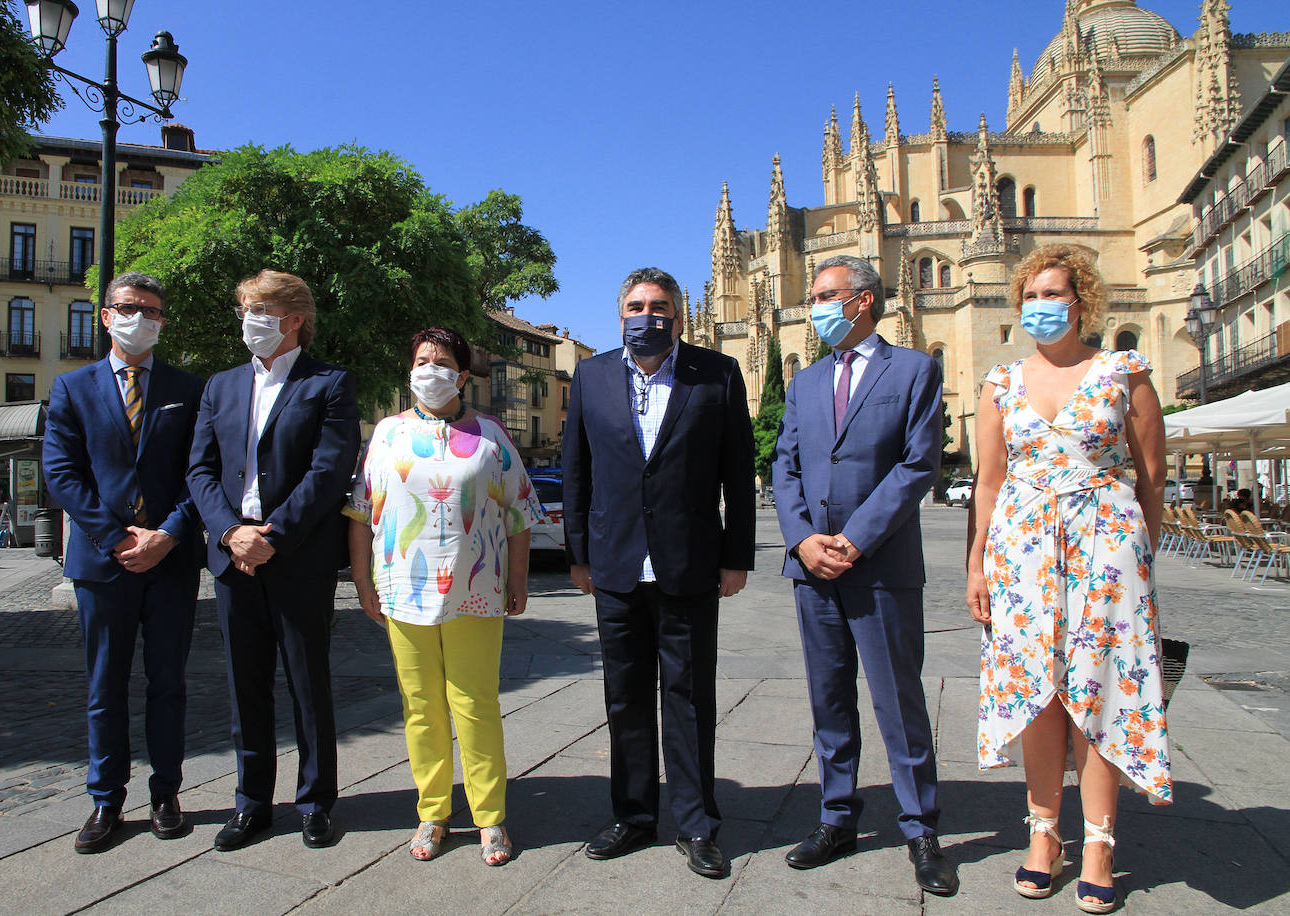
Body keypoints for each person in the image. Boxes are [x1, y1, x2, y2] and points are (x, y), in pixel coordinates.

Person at [967, 245, 1170, 914]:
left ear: (1082, 300)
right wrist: (977, 565)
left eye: (1053, 293)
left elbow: (1152, 475)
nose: (1040, 306)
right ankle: (1043, 835)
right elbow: (989, 484)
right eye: (1029, 296)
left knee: (1100, 691)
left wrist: (1138, 554)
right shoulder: (1001, 381)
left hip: (1105, 552)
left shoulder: (1122, 370)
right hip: (1022, 553)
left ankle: (1100, 843)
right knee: (1038, 696)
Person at [771, 255, 957, 896]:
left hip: (880, 569)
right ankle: (836, 817)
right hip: (813, 572)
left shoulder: (915, 370)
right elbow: (785, 467)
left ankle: (921, 829)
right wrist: (801, 540)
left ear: (865, 301)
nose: (815, 306)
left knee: (900, 703)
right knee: (829, 700)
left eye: (826, 295)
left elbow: (917, 464)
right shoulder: (804, 382)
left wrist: (852, 540)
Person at [561, 267, 755, 879]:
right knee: (625, 699)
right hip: (615, 566)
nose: (649, 315)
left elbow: (736, 473)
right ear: (621, 313)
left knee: (691, 698)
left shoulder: (717, 373)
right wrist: (578, 554)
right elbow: (575, 471)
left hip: (690, 565)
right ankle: (633, 815)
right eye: (638, 305)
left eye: (661, 306)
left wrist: (736, 556)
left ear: (677, 313)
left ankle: (697, 822)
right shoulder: (592, 376)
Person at [346, 327, 543, 866]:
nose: (429, 369)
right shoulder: (385, 434)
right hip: (402, 592)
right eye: (421, 360)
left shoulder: (489, 436)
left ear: (461, 374)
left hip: (476, 590)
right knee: (421, 708)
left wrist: (519, 580)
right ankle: (432, 812)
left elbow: (520, 513)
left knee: (475, 706)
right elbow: (363, 514)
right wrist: (363, 583)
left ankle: (490, 817)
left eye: (441, 361)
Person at [187, 269, 360, 851]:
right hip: (233, 558)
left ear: (293, 319)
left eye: (258, 308)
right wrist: (231, 532)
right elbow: (201, 469)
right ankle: (251, 802)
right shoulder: (221, 386)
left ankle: (315, 801)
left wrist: (274, 536)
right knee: (245, 685)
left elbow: (329, 471)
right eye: (244, 308)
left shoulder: (329, 384)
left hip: (297, 556)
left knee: (308, 684)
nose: (248, 319)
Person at [42, 272, 204, 853]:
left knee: (168, 683)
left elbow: (201, 474)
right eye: (133, 309)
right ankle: (106, 799)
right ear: (106, 316)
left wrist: (166, 535)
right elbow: (62, 472)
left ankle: (167, 794)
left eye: (155, 312)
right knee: (105, 684)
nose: (145, 319)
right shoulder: (72, 388)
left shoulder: (189, 388)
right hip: (101, 563)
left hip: (170, 560)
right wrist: (115, 537)